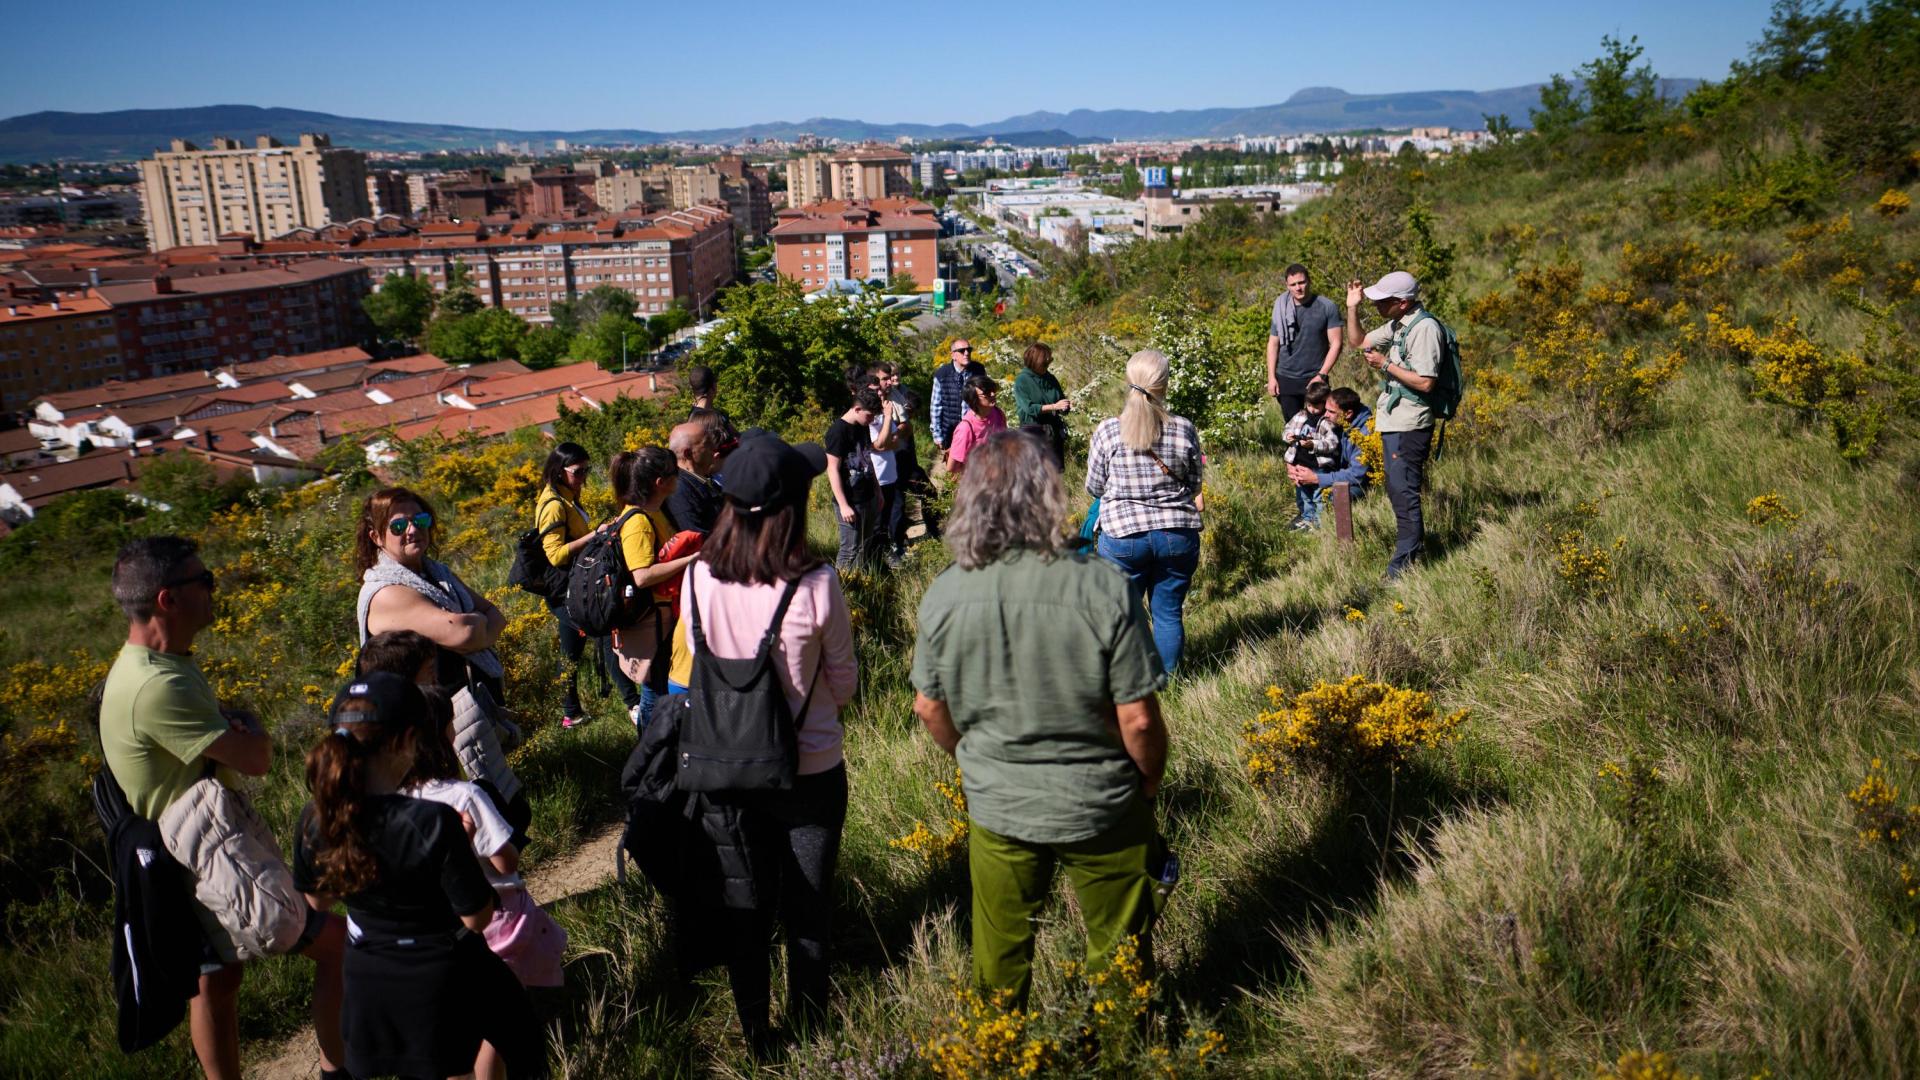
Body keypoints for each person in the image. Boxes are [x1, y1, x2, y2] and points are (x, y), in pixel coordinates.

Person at [911, 430, 1170, 1009]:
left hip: (999, 804)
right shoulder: (1101, 585)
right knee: (1120, 951)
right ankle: (1123, 1045)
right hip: (1101, 801)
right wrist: (1148, 782)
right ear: (1048, 495)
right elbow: (1139, 720)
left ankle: (999, 1048)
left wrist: (973, 758)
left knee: (999, 956)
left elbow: (928, 707)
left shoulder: (945, 593)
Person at [99, 536, 347, 1080]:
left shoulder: (154, 664)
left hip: (180, 849)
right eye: (204, 581)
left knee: (215, 979)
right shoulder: (156, 685)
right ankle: (338, 1071)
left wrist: (231, 728)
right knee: (336, 947)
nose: (214, 589)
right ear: (168, 599)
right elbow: (256, 759)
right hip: (203, 855)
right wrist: (250, 727)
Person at [680, 433, 858, 1045]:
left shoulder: (697, 577)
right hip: (810, 766)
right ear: (793, 506)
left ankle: (757, 1033)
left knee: (745, 906)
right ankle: (809, 1028)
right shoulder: (816, 583)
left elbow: (697, 662)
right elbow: (844, 683)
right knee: (809, 907)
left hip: (725, 766)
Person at [295, 673, 545, 1080]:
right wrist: (462, 850)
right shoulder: (433, 820)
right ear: (408, 741)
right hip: (445, 971)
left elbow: (317, 902)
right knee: (517, 1045)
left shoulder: (317, 818)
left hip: (368, 976)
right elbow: (476, 918)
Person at [1085, 350, 1205, 675]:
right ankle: (1169, 682)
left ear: (1128, 381)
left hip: (1124, 538)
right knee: (1168, 614)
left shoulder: (1108, 431)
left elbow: (1094, 487)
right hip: (1177, 534)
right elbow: (1194, 483)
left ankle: (1128, 681)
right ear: (1164, 384)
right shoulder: (1183, 428)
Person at [356, 487, 507, 705]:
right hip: (433, 716)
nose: (412, 529)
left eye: (421, 520)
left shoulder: (437, 573)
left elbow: (497, 615)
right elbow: (465, 633)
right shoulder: (385, 592)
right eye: (398, 526)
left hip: (474, 705)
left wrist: (476, 629)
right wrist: (479, 623)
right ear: (376, 537)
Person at [1345, 270, 1440, 581]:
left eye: (1383, 301)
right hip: (1394, 420)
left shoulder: (1425, 329)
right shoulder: (1398, 324)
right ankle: (1408, 558)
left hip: (1411, 423)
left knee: (1404, 492)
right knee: (1398, 490)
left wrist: (1385, 364)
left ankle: (1403, 567)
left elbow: (1426, 382)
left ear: (1402, 302)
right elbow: (1358, 341)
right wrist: (1352, 307)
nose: (1377, 305)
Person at [609, 447, 699, 728]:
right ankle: (649, 746)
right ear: (660, 482)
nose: (679, 478)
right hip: (653, 623)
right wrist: (692, 560)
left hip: (664, 616)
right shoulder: (639, 522)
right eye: (675, 473)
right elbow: (642, 576)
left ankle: (657, 744)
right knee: (655, 692)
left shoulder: (654, 511)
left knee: (659, 689)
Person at [534, 442, 601, 728]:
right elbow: (556, 555)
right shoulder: (553, 504)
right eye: (578, 471)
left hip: (572, 584)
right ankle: (630, 701)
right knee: (598, 635)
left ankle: (570, 712)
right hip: (563, 589)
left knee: (570, 650)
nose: (583, 476)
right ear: (560, 471)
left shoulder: (567, 494)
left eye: (587, 470)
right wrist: (594, 535)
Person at [1266, 263, 1344, 422]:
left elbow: (1336, 343)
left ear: (1309, 281)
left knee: (1322, 424)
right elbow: (1273, 343)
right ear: (1287, 285)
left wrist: (1322, 374)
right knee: (1293, 426)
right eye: (1293, 284)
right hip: (1286, 377)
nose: (1298, 288)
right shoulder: (1280, 307)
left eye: (1301, 282)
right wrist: (1271, 377)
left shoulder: (1327, 306)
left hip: (1315, 377)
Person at [824, 388, 886, 571]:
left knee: (865, 545)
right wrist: (843, 505)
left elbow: (868, 460)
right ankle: (842, 586)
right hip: (850, 500)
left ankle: (861, 581)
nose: (872, 420)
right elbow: (832, 469)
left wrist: (878, 491)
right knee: (849, 550)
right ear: (857, 409)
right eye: (870, 415)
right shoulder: (837, 431)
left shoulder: (863, 425)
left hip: (869, 496)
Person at [1289, 386, 1375, 501]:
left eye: (1331, 412)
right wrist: (1292, 464)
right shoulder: (1335, 421)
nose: (1325, 415)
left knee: (1335, 496)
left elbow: (1356, 475)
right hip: (1334, 470)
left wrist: (1316, 478)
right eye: (1326, 409)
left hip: (1361, 481)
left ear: (1348, 414)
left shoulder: (1365, 434)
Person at [1281, 382, 1341, 530]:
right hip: (1301, 463)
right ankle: (1307, 519)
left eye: (1316, 406)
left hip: (1318, 466)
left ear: (1324, 403)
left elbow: (1332, 443)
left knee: (1318, 496)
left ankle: (1320, 523)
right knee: (1304, 495)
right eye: (1309, 405)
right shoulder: (1300, 416)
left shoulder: (1327, 422)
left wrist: (1313, 444)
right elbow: (1287, 428)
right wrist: (1288, 436)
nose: (1312, 410)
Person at [929, 338, 986, 472]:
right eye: (962, 350)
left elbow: (986, 398)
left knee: (976, 469)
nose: (966, 353)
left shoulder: (978, 370)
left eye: (969, 350)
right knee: (954, 472)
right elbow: (936, 406)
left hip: (975, 430)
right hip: (951, 431)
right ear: (953, 355)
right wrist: (937, 435)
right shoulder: (942, 374)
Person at [1012, 342, 1072, 465]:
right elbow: (1029, 408)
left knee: (1055, 472)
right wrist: (1054, 406)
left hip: (1053, 432)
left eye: (1049, 361)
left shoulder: (1050, 378)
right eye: (1045, 362)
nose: (1048, 365)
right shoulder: (1022, 380)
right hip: (1033, 432)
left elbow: (1060, 399)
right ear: (1034, 362)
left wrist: (1065, 406)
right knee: (1035, 471)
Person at [945, 374, 1006, 479]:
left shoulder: (998, 413)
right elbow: (951, 467)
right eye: (986, 393)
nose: (992, 394)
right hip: (978, 481)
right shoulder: (965, 428)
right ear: (973, 399)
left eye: (992, 390)